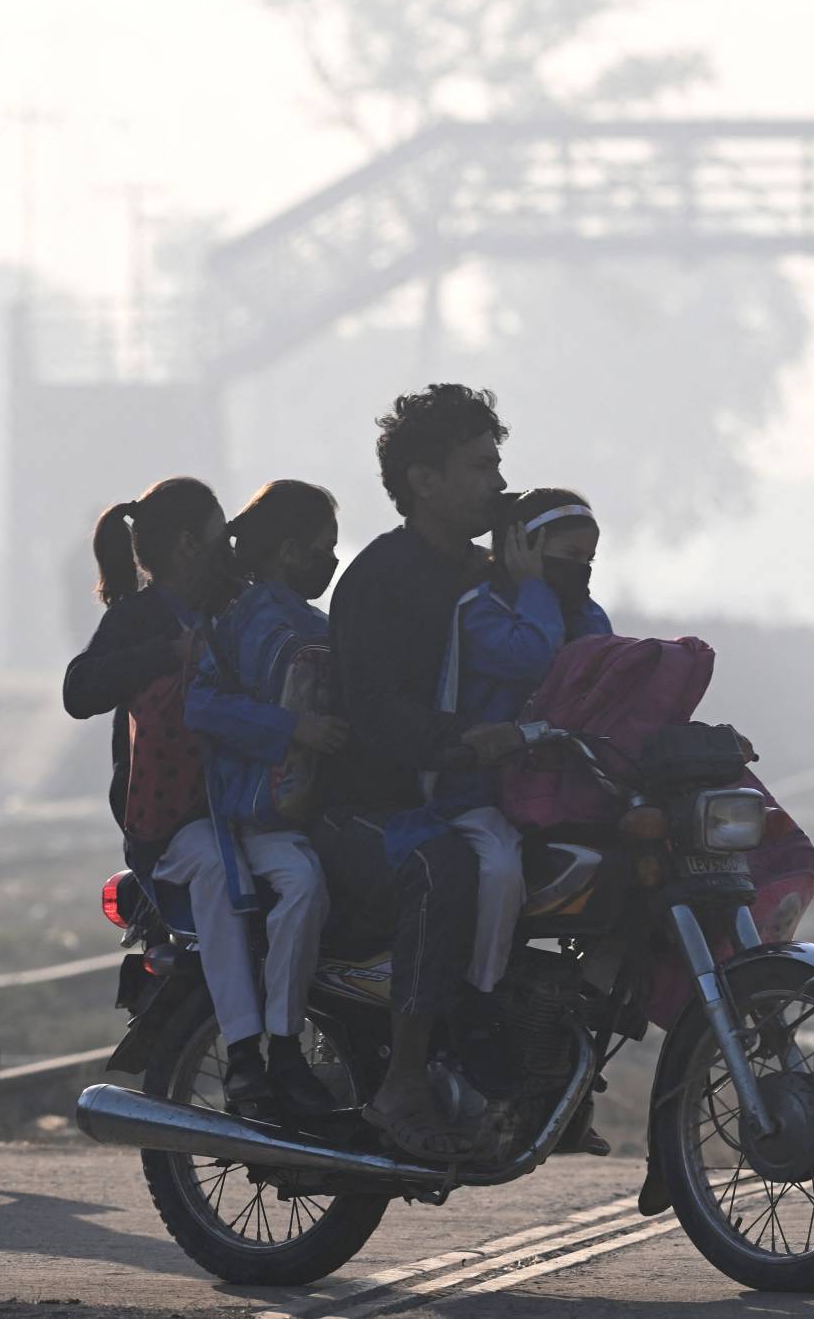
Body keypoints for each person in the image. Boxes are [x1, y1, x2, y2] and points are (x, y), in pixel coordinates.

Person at [322, 383, 526, 1161]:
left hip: (463, 794)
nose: (498, 485)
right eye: (479, 467)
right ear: (423, 480)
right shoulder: (380, 578)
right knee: (442, 869)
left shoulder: (495, 572)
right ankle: (405, 1075)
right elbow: (376, 710)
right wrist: (461, 743)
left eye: (498, 466)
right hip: (370, 807)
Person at [63, 476, 265, 1102]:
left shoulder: (230, 606)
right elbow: (80, 691)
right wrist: (165, 653)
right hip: (172, 827)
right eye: (215, 538)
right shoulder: (139, 618)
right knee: (219, 876)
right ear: (186, 545)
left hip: (239, 805)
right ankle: (246, 1053)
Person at [184, 480, 344, 1117]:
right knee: (296, 884)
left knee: (314, 884)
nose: (330, 562)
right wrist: (292, 728)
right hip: (240, 816)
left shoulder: (317, 627)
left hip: (289, 813)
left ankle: (290, 1041)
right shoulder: (240, 623)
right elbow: (203, 705)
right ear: (288, 549)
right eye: (323, 548)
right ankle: (265, 1049)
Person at [437, 488, 611, 993]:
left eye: (590, 559)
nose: (582, 569)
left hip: (558, 787)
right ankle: (479, 995)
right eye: (570, 556)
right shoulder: (480, 609)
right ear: (522, 547)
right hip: (474, 790)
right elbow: (535, 659)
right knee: (499, 870)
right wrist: (534, 588)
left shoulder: (587, 614)